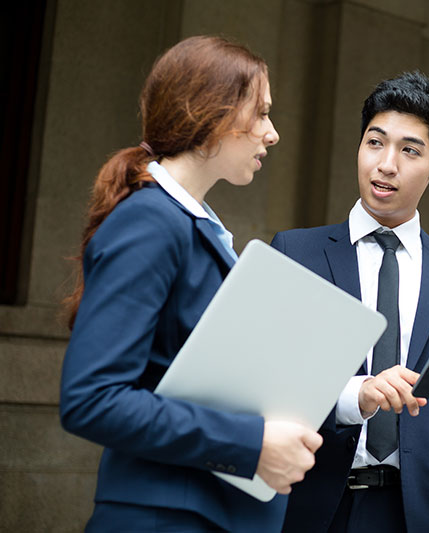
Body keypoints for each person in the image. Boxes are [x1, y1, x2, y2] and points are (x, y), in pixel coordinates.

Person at [60, 35, 322, 532]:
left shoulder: (192, 224)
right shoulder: (150, 222)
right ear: (214, 113)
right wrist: (253, 444)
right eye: (261, 113)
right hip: (166, 517)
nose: (273, 133)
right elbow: (91, 399)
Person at [270, 71, 429, 532]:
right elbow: (268, 385)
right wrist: (357, 394)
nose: (386, 164)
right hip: (308, 505)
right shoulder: (296, 254)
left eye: (410, 150)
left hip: (416, 514)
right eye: (375, 142)